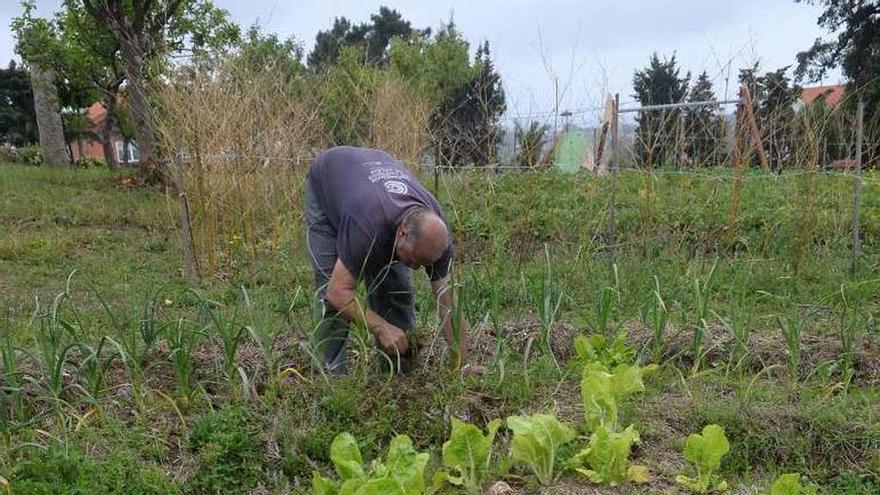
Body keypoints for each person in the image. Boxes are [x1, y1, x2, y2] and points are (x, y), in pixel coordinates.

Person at [304, 146, 483, 376]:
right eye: (414, 260)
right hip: (329, 181)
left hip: (373, 183)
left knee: (396, 291)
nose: (417, 268)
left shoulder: (436, 236)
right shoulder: (368, 228)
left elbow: (448, 302)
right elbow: (337, 292)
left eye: (423, 263)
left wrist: (463, 363)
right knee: (329, 296)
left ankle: (398, 373)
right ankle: (329, 377)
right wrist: (379, 326)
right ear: (402, 233)